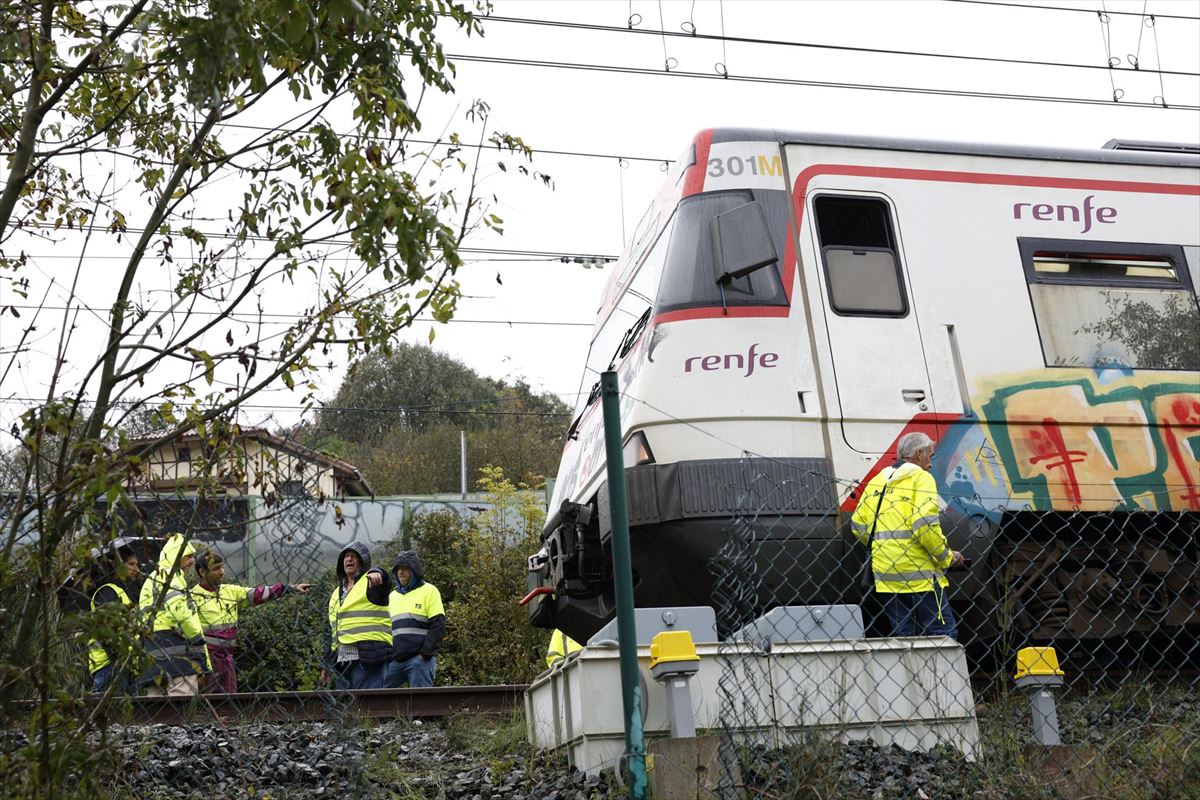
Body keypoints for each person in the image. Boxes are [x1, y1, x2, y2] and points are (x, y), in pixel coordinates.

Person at [851, 431, 965, 639]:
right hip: (921, 574)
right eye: (930, 456)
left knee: (903, 636)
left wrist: (884, 546)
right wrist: (946, 557)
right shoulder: (921, 479)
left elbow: (858, 525)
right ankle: (942, 673)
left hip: (886, 573)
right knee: (943, 635)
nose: (930, 463)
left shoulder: (878, 480)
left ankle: (909, 673)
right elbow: (924, 526)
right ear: (919, 454)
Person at [192, 550, 313, 693]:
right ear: (202, 572)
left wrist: (289, 588)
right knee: (207, 704)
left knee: (229, 703)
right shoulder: (193, 597)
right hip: (207, 661)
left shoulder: (230, 591)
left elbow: (259, 594)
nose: (222, 572)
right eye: (216, 569)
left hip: (227, 658)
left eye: (222, 567)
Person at [138, 533, 211, 695]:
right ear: (176, 555)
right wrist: (196, 638)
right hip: (176, 646)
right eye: (188, 556)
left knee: (155, 705)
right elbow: (178, 610)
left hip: (152, 647)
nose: (192, 561)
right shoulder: (171, 577)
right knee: (181, 698)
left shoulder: (153, 577)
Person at [322, 541, 391, 689]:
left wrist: (379, 573)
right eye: (346, 556)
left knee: (367, 707)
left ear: (363, 561)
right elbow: (332, 631)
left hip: (368, 658)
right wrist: (326, 663)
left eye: (354, 556)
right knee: (346, 708)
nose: (349, 559)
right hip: (342, 661)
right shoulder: (336, 594)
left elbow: (385, 581)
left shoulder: (371, 584)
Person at [384, 550, 446, 688]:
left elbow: (438, 625)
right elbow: (385, 629)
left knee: (421, 704)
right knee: (380, 699)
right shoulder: (392, 596)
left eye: (405, 568)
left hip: (419, 660)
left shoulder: (429, 591)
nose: (401, 572)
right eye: (398, 569)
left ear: (414, 571)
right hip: (394, 661)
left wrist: (424, 655)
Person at [87, 542, 141, 693]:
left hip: (125, 665)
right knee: (112, 713)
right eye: (132, 564)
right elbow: (106, 631)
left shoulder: (122, 593)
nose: (137, 569)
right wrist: (120, 660)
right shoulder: (107, 592)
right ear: (117, 565)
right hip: (111, 665)